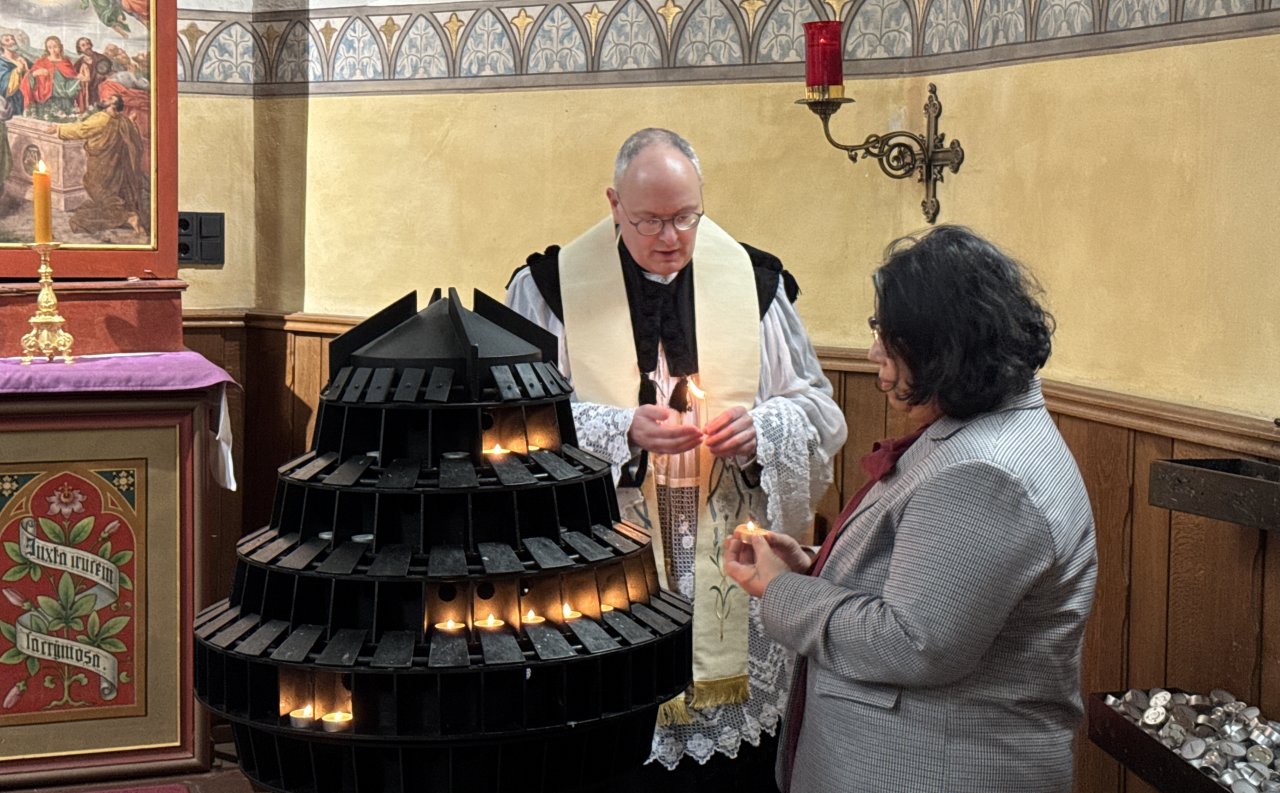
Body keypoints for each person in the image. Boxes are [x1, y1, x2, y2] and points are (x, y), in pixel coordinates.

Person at [505, 128, 846, 791]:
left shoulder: (755, 283)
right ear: (613, 204)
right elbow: (514, 426)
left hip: (728, 572)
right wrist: (621, 427)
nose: (671, 237)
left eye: (685, 216)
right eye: (649, 220)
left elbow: (819, 411)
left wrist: (762, 428)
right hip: (602, 568)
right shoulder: (547, 289)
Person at [724, 225, 1098, 793]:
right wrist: (814, 566)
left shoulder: (985, 472)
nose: (873, 349)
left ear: (940, 343)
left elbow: (915, 643)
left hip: (933, 768)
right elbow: (932, 576)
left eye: (884, 332)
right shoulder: (977, 428)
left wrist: (783, 592)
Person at [49, 96, 148, 237]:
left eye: (109, 99)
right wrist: (131, 121)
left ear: (113, 106)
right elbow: (132, 135)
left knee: (97, 189)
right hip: (115, 165)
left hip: (101, 163)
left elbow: (82, 129)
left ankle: (129, 217)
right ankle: (127, 218)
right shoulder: (122, 120)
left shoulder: (103, 118)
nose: (104, 99)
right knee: (109, 192)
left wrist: (58, 128)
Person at [27, 36, 82, 121]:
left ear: (60, 47)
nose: (53, 50)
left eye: (55, 47)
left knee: (64, 121)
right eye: (50, 47)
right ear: (47, 49)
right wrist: (35, 73)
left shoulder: (66, 62)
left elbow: (72, 77)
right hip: (47, 99)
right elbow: (28, 78)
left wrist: (79, 78)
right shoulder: (41, 62)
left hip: (64, 99)